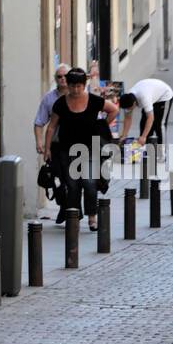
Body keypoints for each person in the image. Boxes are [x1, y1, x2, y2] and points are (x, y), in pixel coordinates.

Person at [45, 68, 118, 231]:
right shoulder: (61, 103)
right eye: (72, 86)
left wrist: (102, 125)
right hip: (66, 150)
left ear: (84, 85)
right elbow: (51, 127)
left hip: (89, 149)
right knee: (72, 185)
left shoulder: (93, 100)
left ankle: (92, 217)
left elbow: (113, 109)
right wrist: (47, 149)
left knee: (89, 182)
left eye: (79, 86)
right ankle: (75, 216)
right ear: (68, 85)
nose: (76, 90)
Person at [34, 64, 69, 221]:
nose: (62, 79)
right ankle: (63, 206)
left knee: (73, 179)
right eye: (59, 77)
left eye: (65, 76)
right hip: (56, 145)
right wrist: (39, 142)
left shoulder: (79, 95)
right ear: (55, 79)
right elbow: (39, 122)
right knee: (59, 178)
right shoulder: (49, 98)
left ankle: (73, 209)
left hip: (76, 145)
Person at [118, 78, 173, 148]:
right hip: (151, 93)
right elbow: (128, 118)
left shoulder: (144, 98)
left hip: (164, 96)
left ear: (134, 103)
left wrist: (143, 137)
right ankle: (145, 149)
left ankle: (161, 154)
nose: (128, 110)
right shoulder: (128, 99)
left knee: (159, 125)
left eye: (129, 108)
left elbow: (150, 118)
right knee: (143, 124)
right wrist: (124, 135)